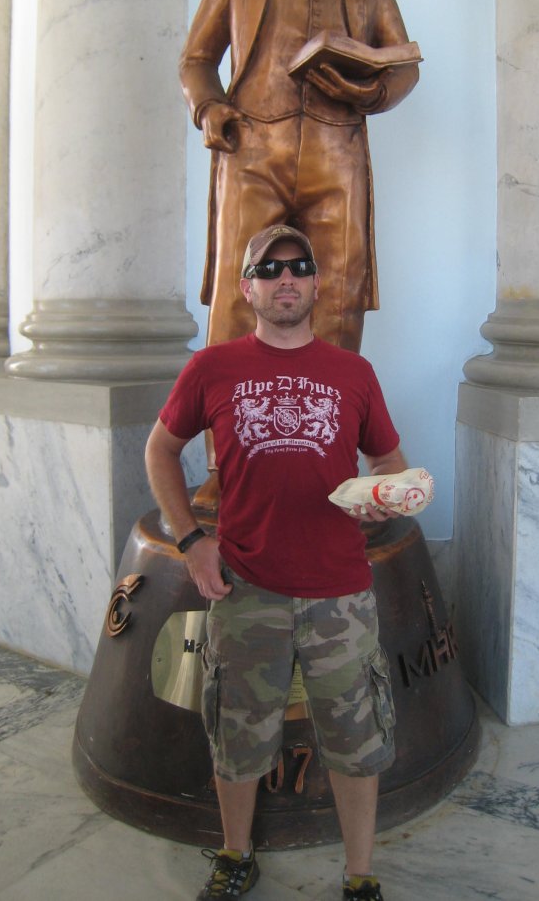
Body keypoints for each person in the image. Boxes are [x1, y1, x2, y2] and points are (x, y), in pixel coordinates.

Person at [145, 224, 411, 901]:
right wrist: (189, 539)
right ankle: (236, 854)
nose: (284, 278)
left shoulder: (353, 373)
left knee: (355, 740)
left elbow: (386, 459)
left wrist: (386, 492)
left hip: (339, 592)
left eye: (297, 267)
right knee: (235, 736)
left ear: (316, 283)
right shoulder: (211, 368)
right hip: (246, 589)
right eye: (268, 269)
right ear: (247, 288)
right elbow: (160, 450)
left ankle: (359, 874)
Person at [180, 0, 419, 504]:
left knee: (337, 301)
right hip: (251, 148)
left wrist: (371, 93)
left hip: (336, 153)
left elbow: (402, 62)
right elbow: (196, 59)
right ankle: (226, 469)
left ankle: (330, 462)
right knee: (236, 300)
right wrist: (208, 107)